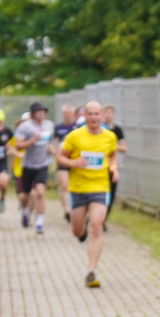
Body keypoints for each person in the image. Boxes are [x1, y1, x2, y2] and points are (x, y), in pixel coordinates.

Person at [56, 101, 118, 288]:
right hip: (78, 189)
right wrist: (74, 164)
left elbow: (112, 155)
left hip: (100, 187)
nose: (93, 117)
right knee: (77, 230)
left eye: (96, 114)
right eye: (89, 114)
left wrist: (114, 168)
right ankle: (80, 232)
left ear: (102, 116)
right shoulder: (74, 136)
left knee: (97, 227)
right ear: (85, 116)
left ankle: (91, 270)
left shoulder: (110, 136)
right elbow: (60, 157)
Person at [14, 102, 55, 233]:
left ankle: (39, 222)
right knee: (26, 195)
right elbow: (18, 146)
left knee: (40, 192)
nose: (43, 113)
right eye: (39, 111)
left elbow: (50, 141)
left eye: (44, 111)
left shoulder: (49, 125)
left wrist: (51, 148)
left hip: (43, 164)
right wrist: (32, 140)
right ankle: (25, 212)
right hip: (28, 165)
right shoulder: (24, 127)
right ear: (33, 113)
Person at [102, 104, 126, 229]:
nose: (108, 115)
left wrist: (111, 146)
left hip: (112, 166)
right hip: (99, 167)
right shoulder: (99, 129)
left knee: (111, 194)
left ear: (114, 115)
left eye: (110, 112)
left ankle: (103, 219)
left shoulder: (116, 130)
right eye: (105, 112)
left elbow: (124, 147)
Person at [54, 105, 78, 221]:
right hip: (63, 159)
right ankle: (67, 209)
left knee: (74, 186)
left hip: (75, 160)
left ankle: (75, 208)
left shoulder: (78, 127)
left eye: (70, 113)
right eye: (66, 113)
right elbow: (53, 142)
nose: (68, 115)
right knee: (64, 185)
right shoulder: (58, 127)